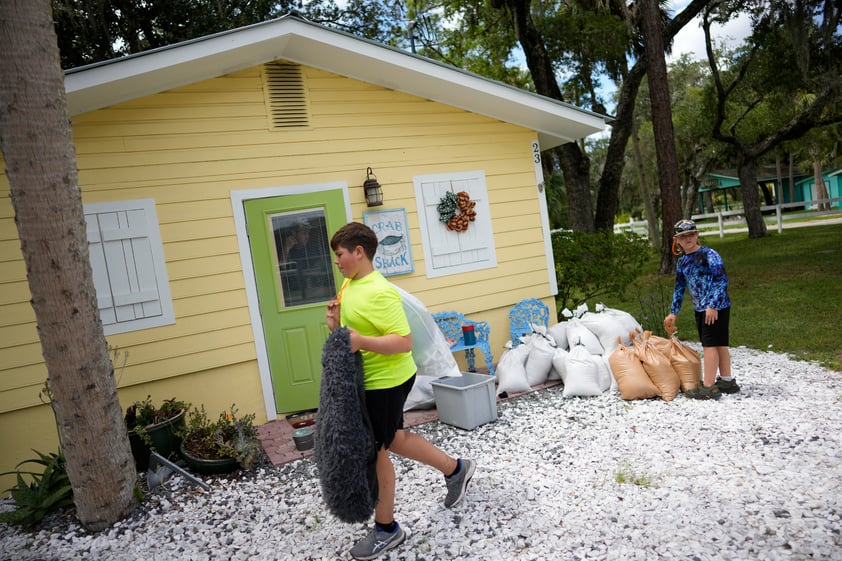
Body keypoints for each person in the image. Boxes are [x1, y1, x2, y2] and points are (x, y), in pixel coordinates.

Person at [325, 222, 476, 560]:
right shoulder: (350, 283)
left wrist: (361, 341)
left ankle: (387, 529)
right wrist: (336, 325)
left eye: (340, 255)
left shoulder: (381, 291)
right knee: (392, 438)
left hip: (387, 380)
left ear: (358, 252)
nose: (336, 261)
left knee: (376, 451)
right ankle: (456, 469)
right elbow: (355, 330)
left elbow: (403, 341)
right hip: (373, 379)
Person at [663, 219, 740, 399]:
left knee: (710, 346)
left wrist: (712, 305)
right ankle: (727, 381)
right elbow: (679, 287)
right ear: (677, 241)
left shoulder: (709, 255)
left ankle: (708, 386)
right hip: (701, 309)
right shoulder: (682, 262)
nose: (688, 239)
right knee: (719, 344)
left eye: (691, 234)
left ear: (697, 235)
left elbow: (721, 280)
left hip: (716, 308)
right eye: (683, 236)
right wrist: (673, 312)